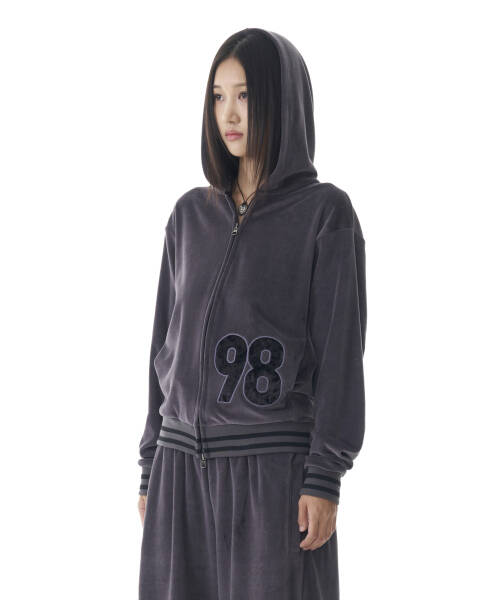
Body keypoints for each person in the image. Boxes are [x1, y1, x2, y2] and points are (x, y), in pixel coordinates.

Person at [137, 27, 367, 600]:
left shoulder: (325, 215)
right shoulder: (189, 217)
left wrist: (325, 476)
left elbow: (341, 357)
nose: (230, 113)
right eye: (218, 96)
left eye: (245, 95)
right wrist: (150, 461)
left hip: (271, 474)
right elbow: (164, 347)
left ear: (281, 101)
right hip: (179, 469)